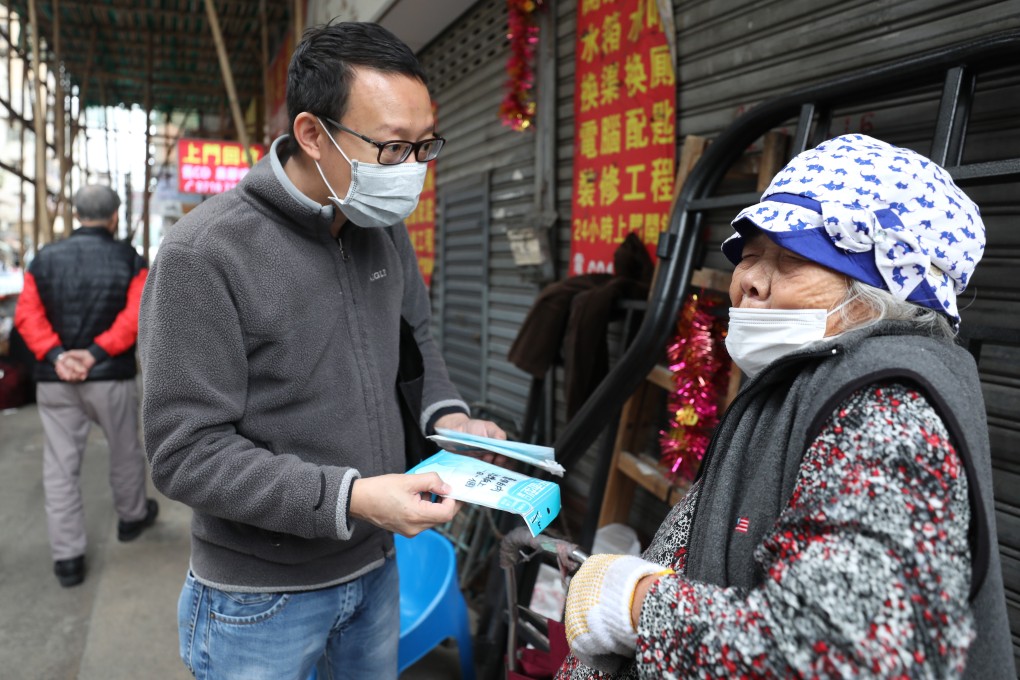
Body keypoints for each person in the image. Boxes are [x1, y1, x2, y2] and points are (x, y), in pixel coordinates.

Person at [557, 134, 1016, 679]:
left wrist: (637, 604)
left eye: (793, 259)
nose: (748, 280)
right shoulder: (806, 382)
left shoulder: (888, 407)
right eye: (748, 255)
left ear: (887, 288)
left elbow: (849, 654)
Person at [138, 21, 504, 680]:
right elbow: (183, 452)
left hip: (377, 570)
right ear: (312, 133)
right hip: (259, 600)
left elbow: (416, 344)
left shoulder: (382, 232)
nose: (413, 170)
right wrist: (354, 498)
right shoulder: (207, 253)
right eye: (393, 147)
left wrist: (449, 419)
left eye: (425, 146)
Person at [13, 184, 158, 588]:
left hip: (56, 381)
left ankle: (68, 559)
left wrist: (59, 356)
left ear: (76, 215)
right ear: (114, 217)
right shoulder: (130, 259)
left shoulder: (43, 260)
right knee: (126, 449)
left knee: (59, 468)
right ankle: (131, 518)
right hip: (109, 377)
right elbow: (136, 315)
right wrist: (95, 354)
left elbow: (27, 316)